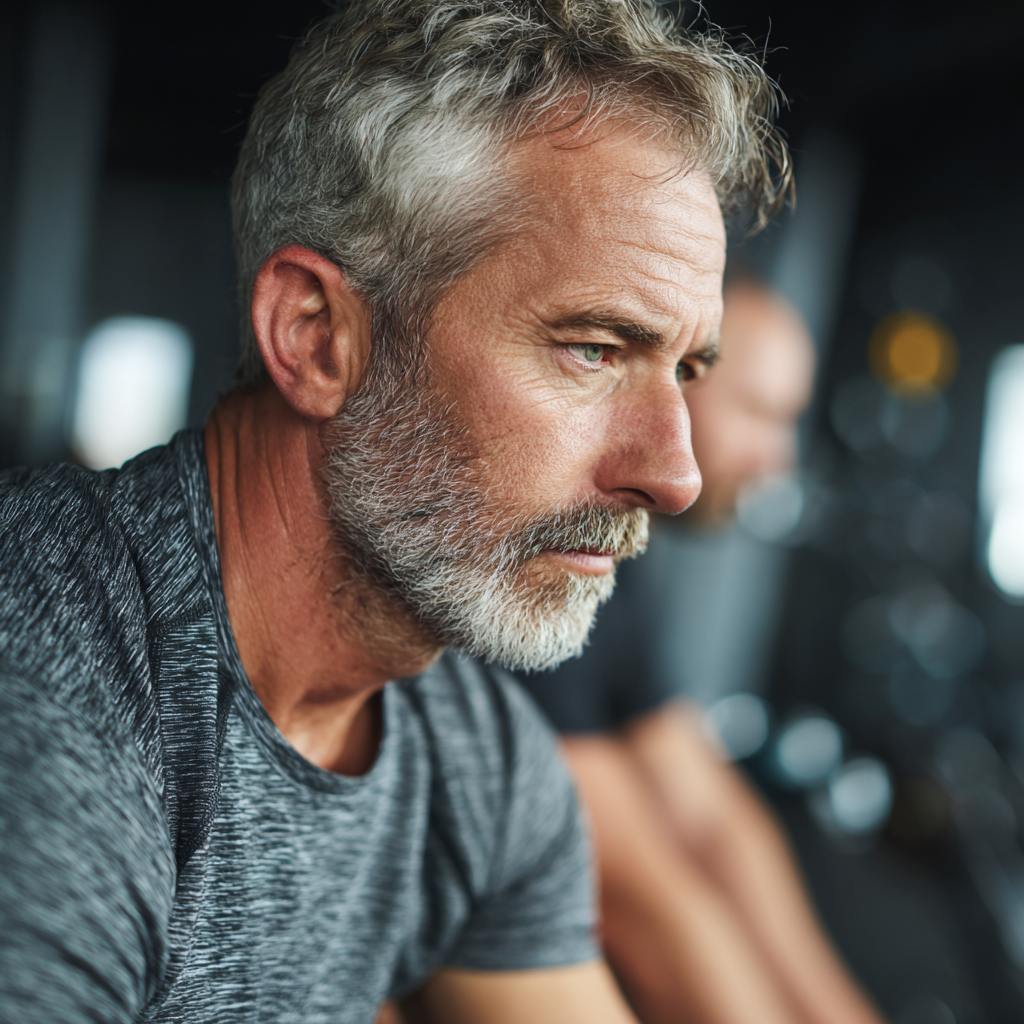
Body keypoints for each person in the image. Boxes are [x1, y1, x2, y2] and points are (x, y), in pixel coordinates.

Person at [0, 2, 793, 1022]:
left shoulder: (477, 759)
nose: (674, 475)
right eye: (593, 348)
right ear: (316, 335)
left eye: (686, 370)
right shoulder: (50, 698)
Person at [519, 280, 887, 1024]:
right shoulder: (544, 540)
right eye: (758, 412)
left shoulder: (619, 553)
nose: (775, 463)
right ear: (678, 378)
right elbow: (645, 897)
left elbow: (711, 812)